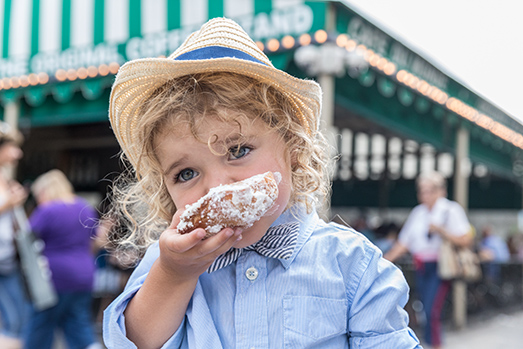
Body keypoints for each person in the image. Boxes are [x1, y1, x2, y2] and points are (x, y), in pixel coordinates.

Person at [103, 18, 421, 348]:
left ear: (294, 151)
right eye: (186, 174)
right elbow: (133, 342)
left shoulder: (351, 263)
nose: (216, 187)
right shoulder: (167, 261)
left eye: (238, 150)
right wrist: (173, 275)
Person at [384, 171, 471, 349]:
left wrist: (441, 230)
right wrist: (383, 261)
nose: (424, 195)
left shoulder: (450, 210)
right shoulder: (418, 213)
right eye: (422, 191)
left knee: (432, 310)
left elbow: (466, 239)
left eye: (428, 191)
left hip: (440, 267)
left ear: (439, 191)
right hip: (421, 267)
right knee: (424, 310)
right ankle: (429, 343)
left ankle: (436, 345)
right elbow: (404, 243)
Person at [23, 169, 101, 349]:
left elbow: (27, 237)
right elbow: (94, 240)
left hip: (54, 276)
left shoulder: (47, 210)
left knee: (41, 325)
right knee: (79, 324)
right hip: (84, 274)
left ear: (44, 191)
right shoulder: (85, 207)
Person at [0, 122, 30, 348]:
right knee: (15, 320)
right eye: (13, 146)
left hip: (7, 258)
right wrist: (9, 203)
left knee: (17, 319)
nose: (18, 153)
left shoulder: (5, 178)